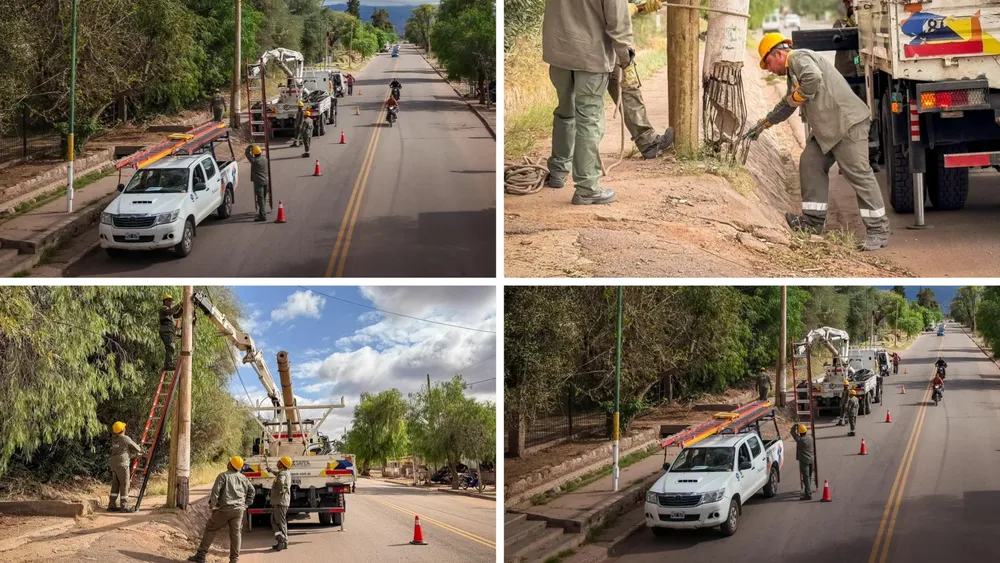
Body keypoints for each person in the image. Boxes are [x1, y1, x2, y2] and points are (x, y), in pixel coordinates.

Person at [746, 32, 890, 252]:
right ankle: (813, 223)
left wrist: (800, 95)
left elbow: (813, 79)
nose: (770, 70)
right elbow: (788, 104)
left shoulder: (798, 57)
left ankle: (878, 230)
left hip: (846, 125)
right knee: (810, 163)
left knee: (859, 174)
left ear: (777, 53)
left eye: (768, 64)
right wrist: (764, 124)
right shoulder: (793, 71)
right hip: (827, 130)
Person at [542, 0, 633, 205]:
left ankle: (557, 172)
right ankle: (587, 188)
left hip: (559, 53)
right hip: (591, 56)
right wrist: (627, 58)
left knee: (565, 112)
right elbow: (618, 23)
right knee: (589, 120)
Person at [607, 0, 676, 160]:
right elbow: (614, 17)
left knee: (570, 109)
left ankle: (560, 163)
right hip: (602, 47)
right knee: (627, 87)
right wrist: (626, 60)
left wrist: (638, 6)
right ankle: (648, 142)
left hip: (573, 48)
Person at [833, 0, 879, 172]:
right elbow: (837, 39)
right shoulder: (840, 24)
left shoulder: (869, 20)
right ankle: (847, 163)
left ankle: (872, 159)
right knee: (847, 120)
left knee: (869, 117)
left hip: (865, 77)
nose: (850, 4)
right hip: (847, 78)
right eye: (848, 2)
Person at [188, 457, 256, 563]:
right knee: (236, 534)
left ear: (230, 465)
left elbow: (215, 491)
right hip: (238, 510)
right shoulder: (243, 477)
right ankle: (234, 559)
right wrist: (246, 504)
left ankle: (201, 555)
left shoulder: (223, 476)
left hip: (224, 509)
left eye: (229, 461)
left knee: (211, 529)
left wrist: (213, 506)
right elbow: (252, 490)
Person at [108, 421, 142, 512]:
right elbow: (137, 448)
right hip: (122, 464)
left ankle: (111, 505)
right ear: (122, 429)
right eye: (124, 427)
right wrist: (139, 448)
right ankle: (124, 506)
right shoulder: (125, 438)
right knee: (125, 484)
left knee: (116, 484)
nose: (125, 428)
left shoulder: (114, 439)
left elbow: (121, 450)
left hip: (114, 464)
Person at [269, 456, 292, 551]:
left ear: (282, 464)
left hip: (280, 501)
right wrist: (270, 470)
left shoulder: (282, 474)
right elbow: (278, 474)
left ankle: (281, 540)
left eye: (279, 462)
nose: (277, 463)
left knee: (278, 522)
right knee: (278, 521)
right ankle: (283, 541)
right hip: (281, 501)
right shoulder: (284, 472)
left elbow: (281, 481)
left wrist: (281, 490)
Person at [244, 145, 269, 222]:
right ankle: (263, 212)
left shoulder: (254, 161)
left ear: (254, 154)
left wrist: (249, 147)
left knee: (260, 199)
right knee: (263, 198)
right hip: (265, 181)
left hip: (258, 182)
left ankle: (262, 215)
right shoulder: (265, 159)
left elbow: (247, 154)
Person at [791, 423, 814, 500]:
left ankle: (807, 494)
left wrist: (795, 426)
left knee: (806, 477)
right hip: (811, 459)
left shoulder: (800, 440)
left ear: (800, 432)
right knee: (809, 476)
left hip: (804, 461)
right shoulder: (810, 438)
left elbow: (792, 432)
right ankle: (808, 491)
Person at [159, 294, 182, 371]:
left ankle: (167, 365)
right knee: (170, 347)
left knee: (170, 348)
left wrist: (182, 308)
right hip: (166, 330)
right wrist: (179, 304)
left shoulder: (169, 311)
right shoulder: (163, 309)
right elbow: (171, 311)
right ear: (164, 301)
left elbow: (177, 315)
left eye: (171, 301)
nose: (171, 302)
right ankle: (168, 366)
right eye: (169, 300)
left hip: (169, 331)